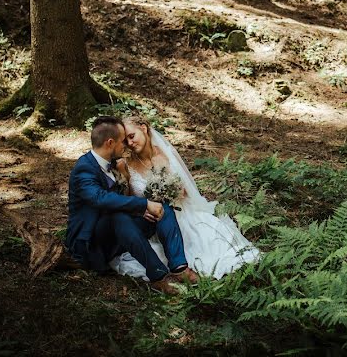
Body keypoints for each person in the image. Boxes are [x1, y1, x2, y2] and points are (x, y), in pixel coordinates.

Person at [109, 115, 260, 280]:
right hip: (150, 221)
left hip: (179, 213)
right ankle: (175, 267)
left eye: (132, 136)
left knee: (207, 244)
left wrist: (169, 190)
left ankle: (180, 267)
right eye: (125, 141)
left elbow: (185, 190)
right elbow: (129, 198)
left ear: (144, 128)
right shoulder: (125, 165)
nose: (130, 143)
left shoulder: (165, 155)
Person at [65, 116, 197, 294]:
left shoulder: (112, 163)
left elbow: (120, 198)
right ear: (110, 143)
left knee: (161, 207)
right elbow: (100, 199)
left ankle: (179, 267)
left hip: (119, 232)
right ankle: (158, 276)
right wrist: (142, 205)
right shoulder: (84, 168)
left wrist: (144, 208)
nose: (125, 145)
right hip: (92, 242)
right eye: (122, 141)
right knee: (119, 216)